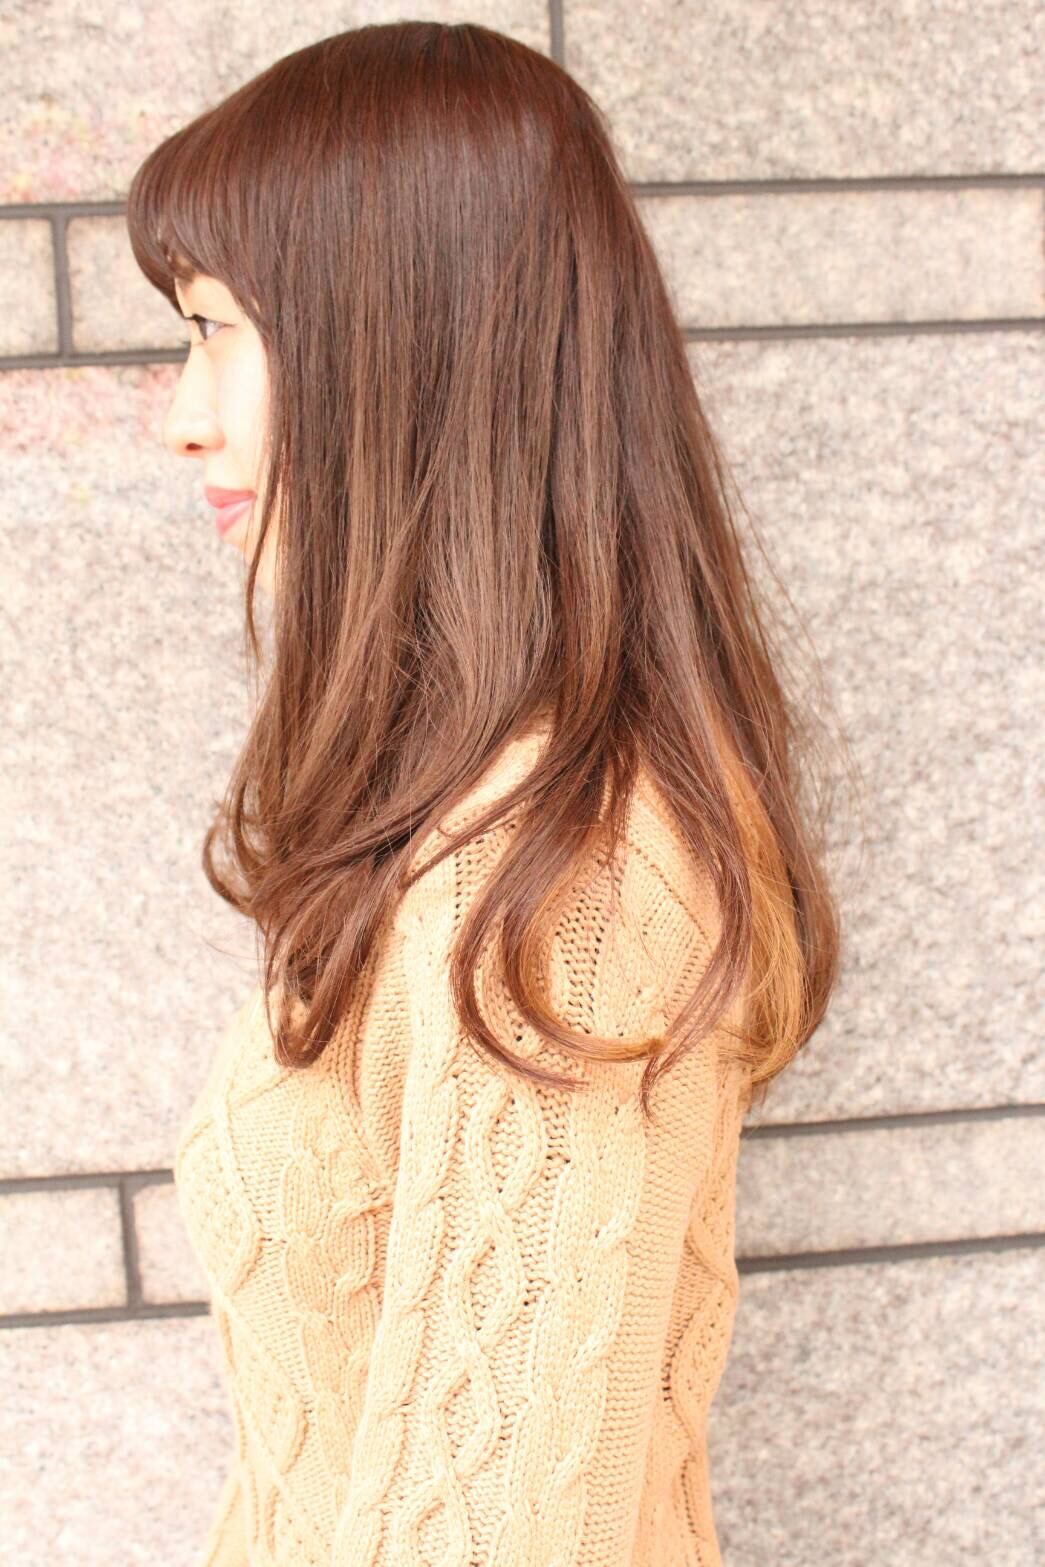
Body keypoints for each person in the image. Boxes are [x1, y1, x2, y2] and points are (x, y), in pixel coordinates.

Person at [126, 20, 842, 1567]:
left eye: (218, 329)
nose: (181, 413)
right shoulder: (486, 826)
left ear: (403, 343)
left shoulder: (553, 880)